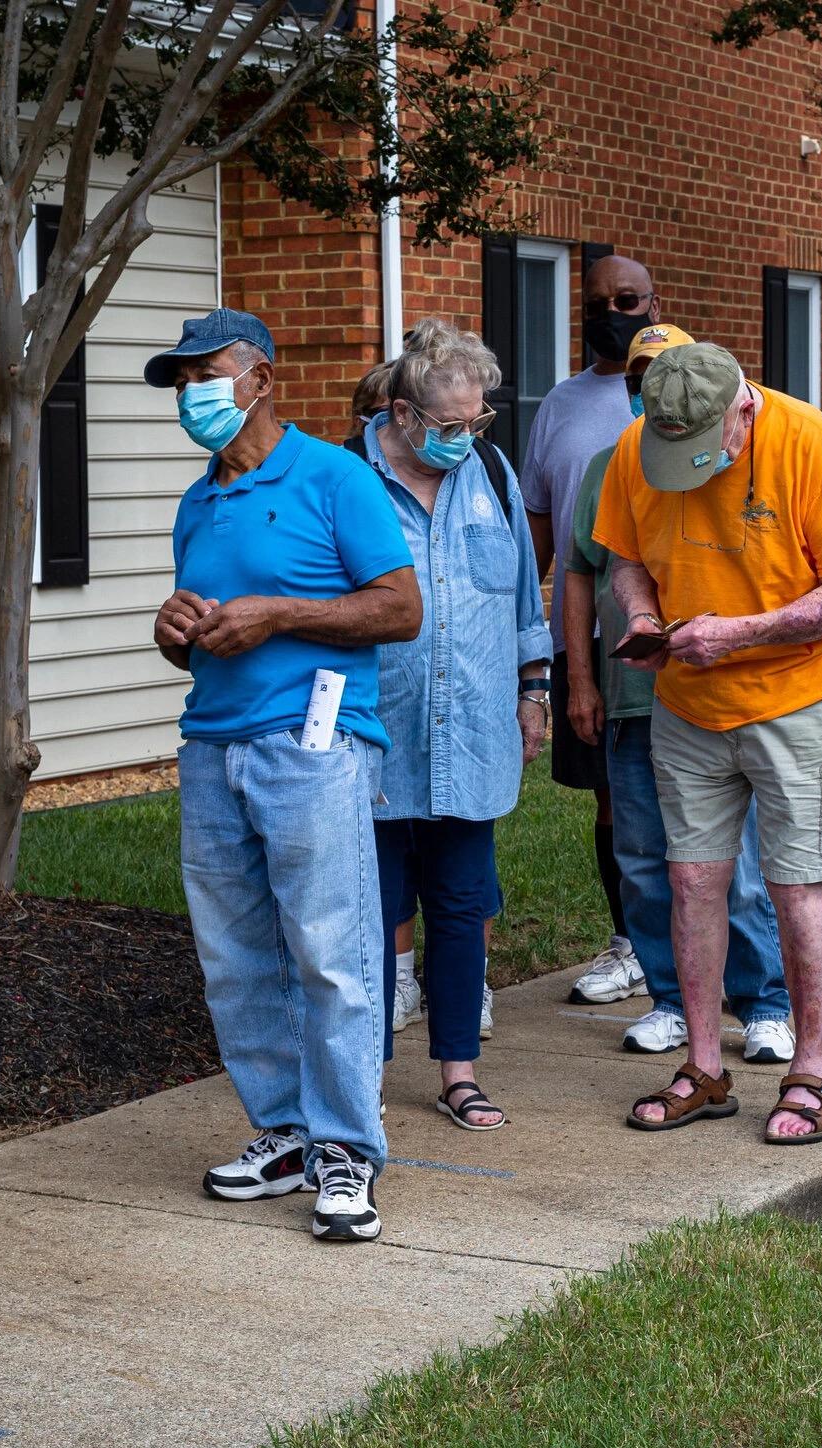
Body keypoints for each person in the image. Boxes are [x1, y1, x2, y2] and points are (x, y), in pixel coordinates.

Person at [149, 308, 422, 1241]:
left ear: (261, 378)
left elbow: (399, 608)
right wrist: (175, 631)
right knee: (235, 958)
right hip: (212, 745)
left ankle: (348, 1147)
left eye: (205, 373)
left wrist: (277, 614)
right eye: (179, 380)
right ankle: (286, 1127)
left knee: (330, 950)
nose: (191, 394)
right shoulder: (199, 499)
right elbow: (211, 638)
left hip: (315, 745)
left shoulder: (335, 476)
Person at [596, 343, 822, 1144]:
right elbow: (625, 561)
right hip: (689, 701)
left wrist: (741, 634)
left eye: (702, 449)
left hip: (802, 695)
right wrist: (646, 619)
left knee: (797, 886)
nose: (683, 466)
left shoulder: (810, 441)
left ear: (743, 409)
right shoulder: (636, 446)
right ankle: (703, 1066)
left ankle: (810, 1073)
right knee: (691, 881)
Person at [562, 323, 795, 1062]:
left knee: (742, 870)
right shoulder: (612, 464)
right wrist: (579, 678)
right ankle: (668, 998)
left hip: (724, 693)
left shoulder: (751, 455)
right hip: (634, 691)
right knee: (643, 857)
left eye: (664, 371)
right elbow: (583, 568)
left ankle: (763, 1003)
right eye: (639, 375)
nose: (651, 388)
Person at [361, 318, 551, 1131]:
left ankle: (458, 1073)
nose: (466, 438)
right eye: (449, 426)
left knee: (461, 907)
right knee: (367, 916)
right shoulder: (349, 479)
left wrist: (534, 687)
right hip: (378, 735)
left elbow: (520, 598)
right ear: (403, 415)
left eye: (479, 421)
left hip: (472, 730)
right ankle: (360, 1074)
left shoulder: (493, 472)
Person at [521, 254, 665, 1007]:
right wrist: (529, 641)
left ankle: (721, 944)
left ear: (655, 301)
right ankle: (633, 942)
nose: (612, 311)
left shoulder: (687, 382)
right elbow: (542, 542)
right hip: (590, 640)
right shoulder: (560, 405)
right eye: (598, 301)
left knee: (700, 797)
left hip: (681, 638)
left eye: (628, 299)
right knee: (617, 800)